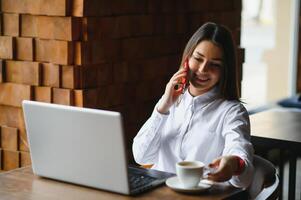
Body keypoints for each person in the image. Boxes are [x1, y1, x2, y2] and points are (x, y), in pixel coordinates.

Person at [132, 22, 254, 188]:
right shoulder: (170, 102)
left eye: (215, 64)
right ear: (187, 59)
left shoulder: (232, 112)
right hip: (157, 193)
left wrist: (233, 164)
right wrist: (163, 107)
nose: (203, 69)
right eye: (198, 59)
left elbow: (243, 174)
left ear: (225, 70)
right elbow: (141, 156)